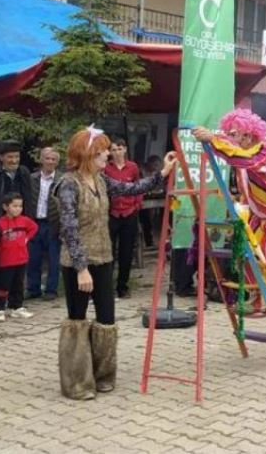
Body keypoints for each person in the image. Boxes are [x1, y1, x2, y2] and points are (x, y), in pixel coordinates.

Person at [57, 125, 176, 400]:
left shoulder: (102, 180)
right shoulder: (68, 184)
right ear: (87, 154)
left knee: (107, 318)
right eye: (101, 153)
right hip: (78, 263)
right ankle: (77, 382)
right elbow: (69, 229)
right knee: (77, 321)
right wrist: (81, 268)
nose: (107, 157)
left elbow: (132, 188)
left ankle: (102, 375)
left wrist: (163, 174)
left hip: (103, 258)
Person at [191, 109, 266, 347]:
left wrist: (213, 140)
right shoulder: (242, 145)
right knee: (249, 252)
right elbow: (229, 145)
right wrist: (212, 136)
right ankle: (258, 299)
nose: (229, 136)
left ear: (248, 136)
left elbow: (243, 158)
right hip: (262, 213)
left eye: (234, 134)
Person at [0, 140, 33, 312]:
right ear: (1, 157)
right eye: (10, 157)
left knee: (17, 264)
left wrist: (27, 222)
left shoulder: (24, 172)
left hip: (19, 224)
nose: (14, 160)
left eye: (17, 156)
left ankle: (15, 301)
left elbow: (29, 197)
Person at [103, 138, 142, 299]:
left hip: (129, 213)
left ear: (125, 149)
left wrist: (137, 204)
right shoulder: (105, 168)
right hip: (111, 214)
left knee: (126, 253)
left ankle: (123, 287)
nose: (117, 152)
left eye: (119, 149)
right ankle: (106, 287)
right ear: (110, 152)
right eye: (113, 149)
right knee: (108, 252)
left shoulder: (133, 167)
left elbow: (139, 187)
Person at [0, 193, 38, 322]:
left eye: (20, 206)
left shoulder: (25, 220)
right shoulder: (0, 222)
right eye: (14, 206)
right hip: (6, 261)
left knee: (18, 284)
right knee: (4, 285)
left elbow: (34, 228)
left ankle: (16, 307)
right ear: (5, 207)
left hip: (21, 259)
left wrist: (27, 238)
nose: (18, 209)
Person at [27, 147, 63, 300]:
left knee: (54, 258)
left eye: (53, 159)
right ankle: (33, 289)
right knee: (33, 258)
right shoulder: (32, 178)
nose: (50, 162)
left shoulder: (62, 179)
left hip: (53, 223)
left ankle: (51, 290)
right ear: (41, 159)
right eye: (47, 158)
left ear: (57, 162)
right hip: (34, 223)